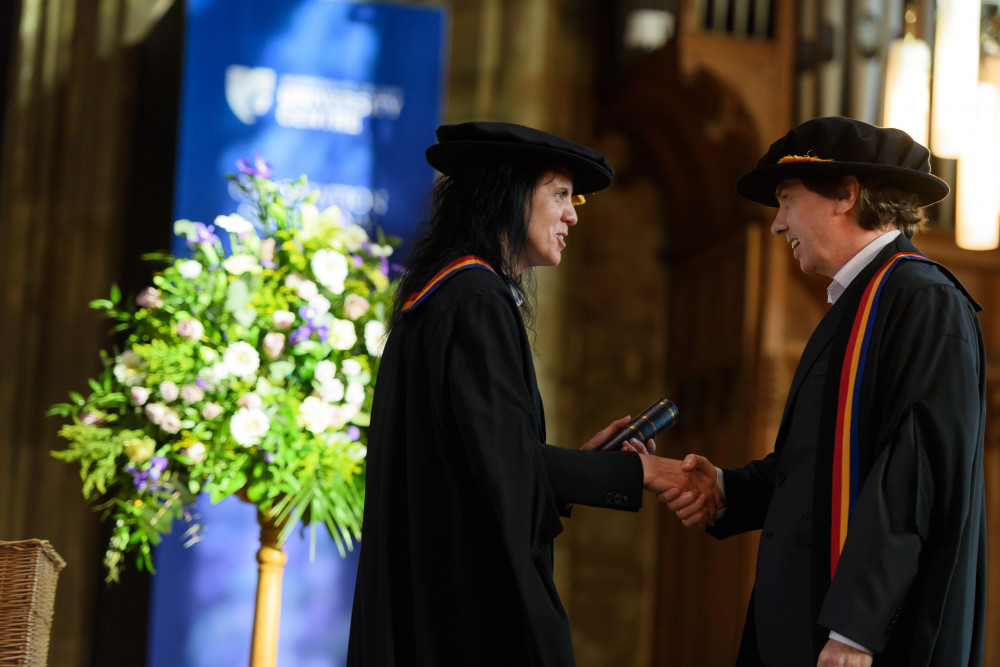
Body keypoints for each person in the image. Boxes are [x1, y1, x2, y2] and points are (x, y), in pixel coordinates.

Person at [347, 121, 720, 666]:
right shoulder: (476, 299)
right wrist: (643, 472)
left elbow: (481, 468)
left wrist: (582, 467)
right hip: (466, 619)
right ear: (508, 194)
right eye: (560, 195)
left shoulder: (445, 294)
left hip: (433, 600)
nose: (573, 214)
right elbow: (505, 467)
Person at [665, 116, 987, 666]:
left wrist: (855, 633)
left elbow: (913, 476)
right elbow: (822, 469)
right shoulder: (860, 302)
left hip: (863, 641)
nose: (777, 224)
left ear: (846, 194)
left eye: (787, 200)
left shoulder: (921, 299)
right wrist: (724, 488)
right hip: (806, 624)